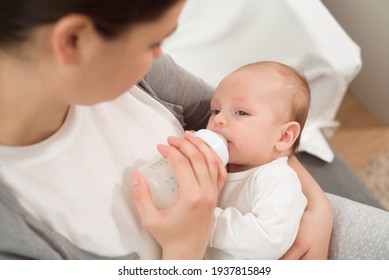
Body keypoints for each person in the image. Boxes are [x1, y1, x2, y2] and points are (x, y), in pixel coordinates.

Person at [0, 0, 387, 260]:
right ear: (73, 41)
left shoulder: (144, 77)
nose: (159, 57)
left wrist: (315, 203)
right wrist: (186, 244)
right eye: (153, 41)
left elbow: (227, 117)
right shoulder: (16, 233)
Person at [203, 61, 309, 259]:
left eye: (241, 112)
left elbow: (269, 239)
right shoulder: (218, 165)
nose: (218, 120)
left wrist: (203, 221)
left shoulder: (277, 177)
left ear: (284, 136)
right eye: (216, 110)